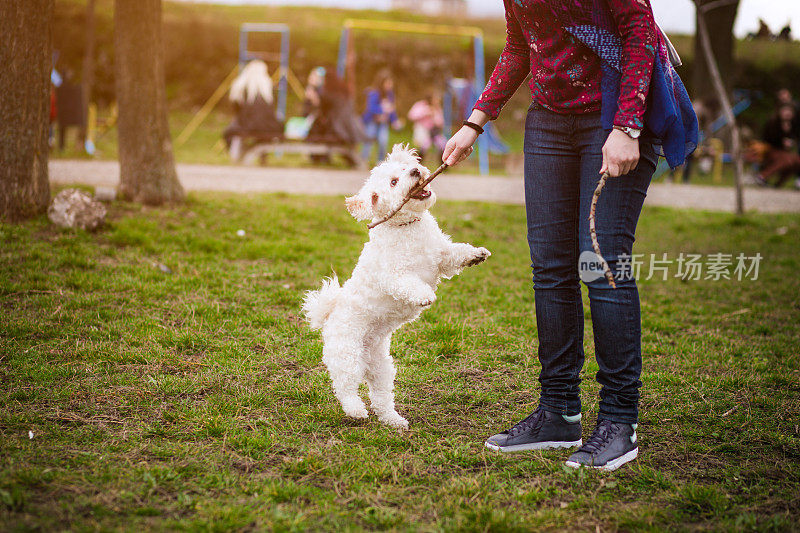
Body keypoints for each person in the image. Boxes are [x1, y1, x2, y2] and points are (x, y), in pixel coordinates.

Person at [442, 0, 696, 470]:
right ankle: (558, 412)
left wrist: (627, 125)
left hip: (613, 115)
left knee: (600, 265)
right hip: (549, 121)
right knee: (551, 268)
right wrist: (475, 122)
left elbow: (639, 32)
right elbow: (522, 47)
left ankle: (620, 421)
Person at [223, 60, 283, 162]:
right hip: (269, 126)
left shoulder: (241, 86)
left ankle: (238, 155)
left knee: (228, 132)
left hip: (248, 125)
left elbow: (236, 109)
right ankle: (263, 156)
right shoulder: (268, 86)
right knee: (265, 131)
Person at [361, 70, 402, 162]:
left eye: (391, 83)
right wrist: (382, 109)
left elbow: (391, 109)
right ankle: (364, 159)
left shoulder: (390, 95)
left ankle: (380, 161)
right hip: (372, 121)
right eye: (388, 83)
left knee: (383, 141)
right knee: (369, 139)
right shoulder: (374, 93)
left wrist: (394, 120)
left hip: (383, 122)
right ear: (382, 83)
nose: (390, 85)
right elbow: (371, 107)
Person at [407, 93, 446, 162]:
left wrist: (434, 117)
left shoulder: (437, 108)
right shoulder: (420, 105)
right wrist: (426, 112)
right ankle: (418, 163)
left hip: (434, 131)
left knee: (442, 145)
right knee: (423, 147)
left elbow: (441, 122)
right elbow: (411, 115)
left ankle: (443, 163)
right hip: (423, 129)